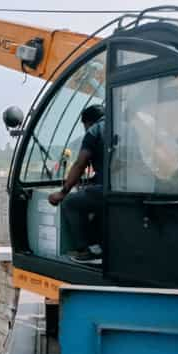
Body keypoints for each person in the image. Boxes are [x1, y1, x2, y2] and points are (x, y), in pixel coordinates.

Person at [48, 104, 106, 264]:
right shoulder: (123, 126)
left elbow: (80, 164)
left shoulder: (94, 131)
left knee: (71, 203)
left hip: (109, 192)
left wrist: (62, 192)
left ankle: (87, 250)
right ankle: (100, 245)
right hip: (128, 191)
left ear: (87, 122)